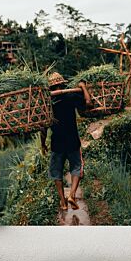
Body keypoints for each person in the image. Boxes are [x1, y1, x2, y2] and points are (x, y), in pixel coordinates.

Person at [41, 72, 92, 211]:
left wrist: (42, 143)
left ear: (50, 88)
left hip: (56, 143)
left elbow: (43, 127)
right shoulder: (71, 96)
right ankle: (72, 195)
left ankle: (63, 202)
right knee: (76, 167)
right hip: (72, 140)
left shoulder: (47, 102)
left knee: (56, 172)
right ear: (63, 84)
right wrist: (83, 87)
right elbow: (88, 102)